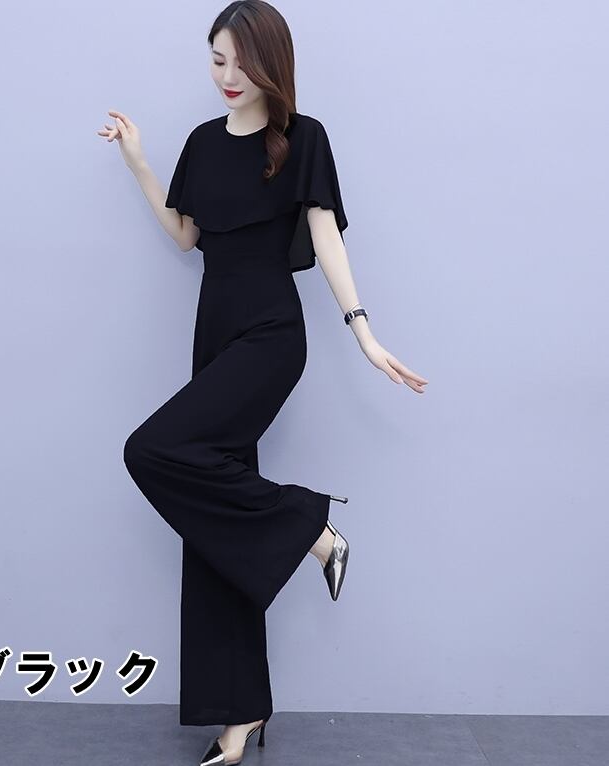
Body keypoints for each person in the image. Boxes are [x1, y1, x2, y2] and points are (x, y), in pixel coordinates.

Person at [97, 2, 428, 763]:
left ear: (271, 64)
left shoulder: (303, 138)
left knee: (152, 450)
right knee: (213, 518)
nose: (227, 76)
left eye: (240, 62)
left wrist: (364, 332)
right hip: (213, 334)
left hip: (272, 334)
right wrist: (139, 163)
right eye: (216, 60)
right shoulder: (200, 143)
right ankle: (240, 717)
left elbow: (325, 237)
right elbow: (186, 236)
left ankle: (311, 527)